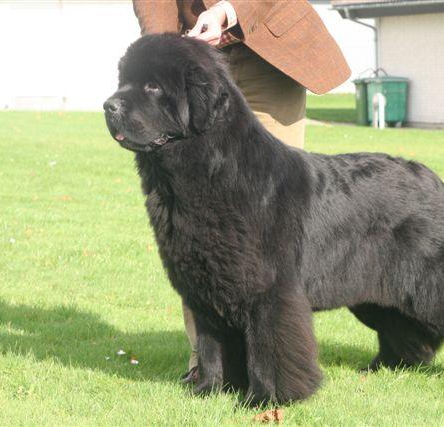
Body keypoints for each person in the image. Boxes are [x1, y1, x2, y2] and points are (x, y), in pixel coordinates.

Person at [132, 0, 351, 383]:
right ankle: (211, 366)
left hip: (267, 48)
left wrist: (225, 12)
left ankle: (271, 366)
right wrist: (163, 48)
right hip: (190, 62)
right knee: (190, 223)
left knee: (267, 226)